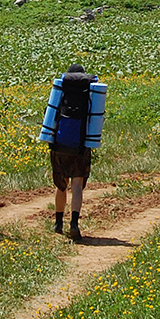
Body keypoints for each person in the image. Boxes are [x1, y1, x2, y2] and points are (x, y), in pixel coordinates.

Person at [45, 64, 99, 241]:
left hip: (60, 145)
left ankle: (58, 223)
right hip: (81, 145)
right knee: (77, 185)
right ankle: (74, 223)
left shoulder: (61, 89)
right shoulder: (89, 91)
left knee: (61, 185)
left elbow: (50, 115)